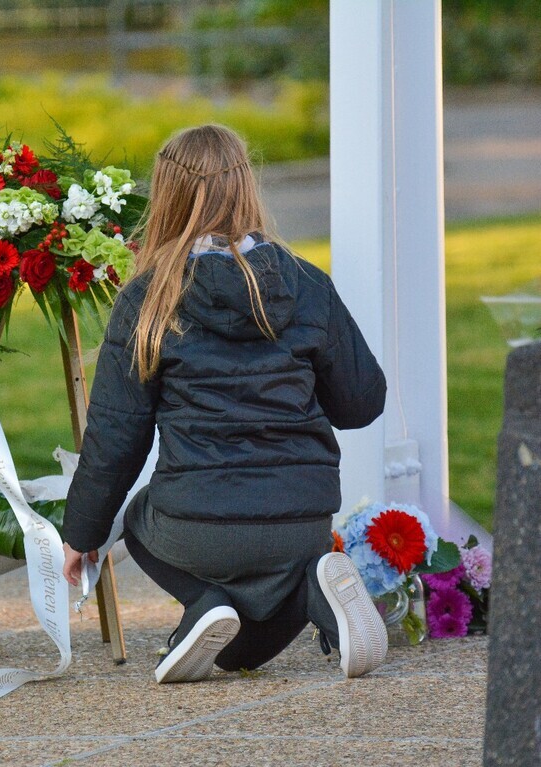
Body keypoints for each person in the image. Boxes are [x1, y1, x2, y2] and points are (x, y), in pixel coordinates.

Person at [61, 124, 389, 683]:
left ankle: (204, 599)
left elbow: (117, 438)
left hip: (196, 525)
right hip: (303, 524)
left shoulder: (149, 297)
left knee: (138, 518)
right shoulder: (307, 283)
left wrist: (82, 535)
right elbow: (361, 403)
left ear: (166, 194)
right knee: (240, 656)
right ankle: (316, 587)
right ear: (246, 185)